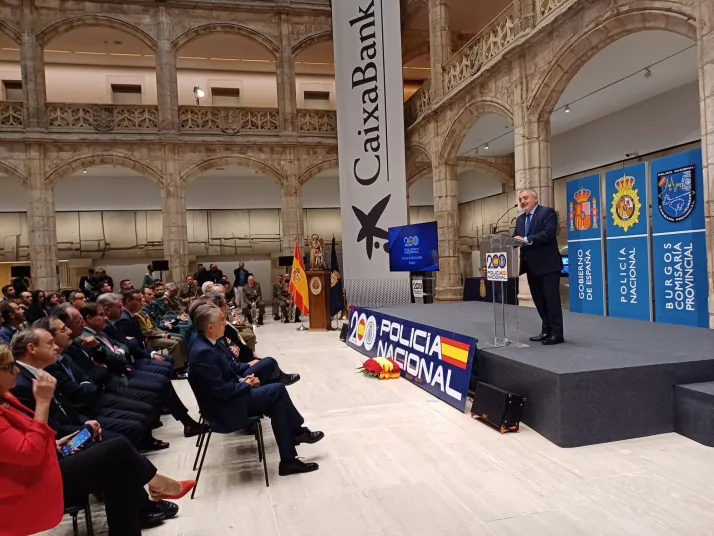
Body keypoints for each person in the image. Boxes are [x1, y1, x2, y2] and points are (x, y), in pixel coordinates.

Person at [0, 343, 195, 536]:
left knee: (118, 470)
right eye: (9, 367)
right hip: (31, 485)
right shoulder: (13, 393)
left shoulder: (6, 396)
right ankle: (158, 483)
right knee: (118, 447)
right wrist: (43, 402)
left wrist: (54, 443)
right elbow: (29, 454)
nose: (16, 370)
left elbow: (21, 438)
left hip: (46, 462)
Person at [188, 304, 321, 476]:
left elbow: (222, 379)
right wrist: (246, 385)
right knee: (277, 390)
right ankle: (295, 436)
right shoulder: (204, 352)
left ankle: (290, 457)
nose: (225, 323)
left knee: (277, 400)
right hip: (224, 409)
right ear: (211, 327)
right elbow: (220, 390)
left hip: (227, 398)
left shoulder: (205, 343)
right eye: (222, 320)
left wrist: (243, 380)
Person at [513, 189, 564, 345]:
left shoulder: (547, 212)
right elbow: (516, 238)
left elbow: (548, 234)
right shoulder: (520, 219)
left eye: (525, 198)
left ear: (536, 199)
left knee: (551, 300)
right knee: (539, 301)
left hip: (548, 265)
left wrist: (525, 239)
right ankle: (546, 331)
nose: (522, 201)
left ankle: (557, 334)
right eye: (520, 199)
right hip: (530, 266)